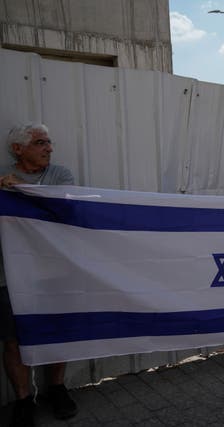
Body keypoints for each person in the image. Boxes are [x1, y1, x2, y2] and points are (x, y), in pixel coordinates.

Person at [1, 123, 78, 427]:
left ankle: (57, 388)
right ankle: (23, 400)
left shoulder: (60, 175)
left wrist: (18, 192)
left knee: (56, 330)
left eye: (49, 142)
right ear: (18, 149)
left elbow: (64, 212)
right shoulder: (2, 179)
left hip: (52, 269)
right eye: (40, 142)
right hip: (10, 272)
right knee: (12, 339)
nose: (49, 148)